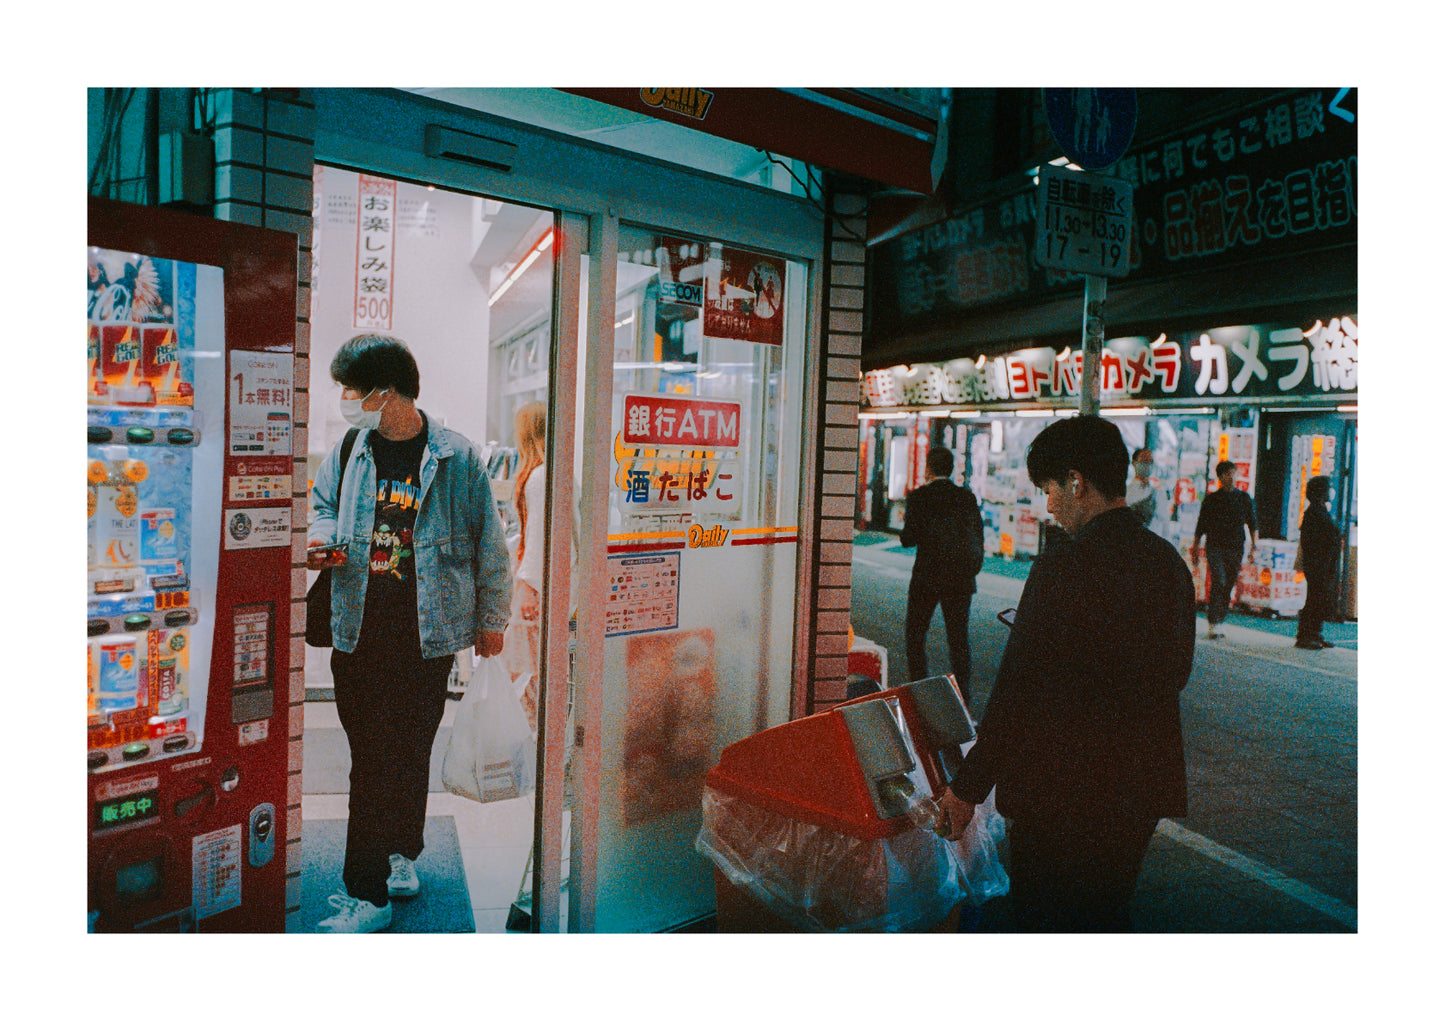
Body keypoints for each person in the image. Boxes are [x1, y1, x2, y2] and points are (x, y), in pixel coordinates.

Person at [933, 415, 1195, 932]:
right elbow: (1176, 673)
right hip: (1140, 785)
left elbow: (1018, 691)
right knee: (1105, 912)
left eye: (1050, 489)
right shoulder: (1167, 563)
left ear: (1076, 482)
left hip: (1062, 788)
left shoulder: (1063, 567)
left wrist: (967, 789)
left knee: (1048, 916)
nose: (1048, 505)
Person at [308, 334, 512, 933]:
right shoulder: (351, 448)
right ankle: (367, 892)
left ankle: (402, 852)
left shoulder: (457, 458)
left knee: (409, 752)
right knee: (370, 759)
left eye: (352, 388)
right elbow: (322, 504)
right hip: (358, 629)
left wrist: (492, 620)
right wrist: (324, 536)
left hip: (428, 636)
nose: (346, 399)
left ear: (387, 392)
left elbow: (490, 544)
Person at [898, 447, 985, 707]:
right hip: (960, 579)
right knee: (958, 639)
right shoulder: (966, 497)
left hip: (927, 577)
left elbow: (907, 539)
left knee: (915, 635)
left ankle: (919, 693)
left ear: (928, 468)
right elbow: (978, 535)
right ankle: (963, 698)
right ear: (950, 468)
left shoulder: (919, 497)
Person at [504, 401, 546, 732]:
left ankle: (524, 733)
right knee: (531, 666)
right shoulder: (549, 473)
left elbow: (538, 537)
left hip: (535, 588)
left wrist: (528, 587)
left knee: (522, 666)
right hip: (540, 583)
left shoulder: (538, 478)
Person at [1190, 460, 1257, 639]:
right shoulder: (1212, 500)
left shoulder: (1244, 498)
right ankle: (1214, 621)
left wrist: (1254, 547)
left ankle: (1220, 618)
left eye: (1233, 473)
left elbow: (1253, 524)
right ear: (1220, 477)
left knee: (1228, 584)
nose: (1231, 477)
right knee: (1219, 579)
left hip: (1236, 547)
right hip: (1215, 546)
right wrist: (1195, 546)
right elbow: (1201, 525)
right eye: (1227, 474)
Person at [1294, 475, 1342, 650]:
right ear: (1321, 491)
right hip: (1317, 564)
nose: (1331, 491)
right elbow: (1316, 539)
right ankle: (1306, 635)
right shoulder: (1315, 513)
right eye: (1329, 487)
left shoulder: (1319, 511)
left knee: (1319, 599)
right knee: (1315, 599)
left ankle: (1314, 633)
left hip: (1322, 563)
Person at [1125, 448, 1159, 528]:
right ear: (1134, 463)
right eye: (1144, 461)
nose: (1148, 465)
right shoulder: (1126, 492)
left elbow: (1165, 523)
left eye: (1150, 461)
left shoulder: (1158, 493)